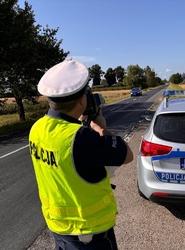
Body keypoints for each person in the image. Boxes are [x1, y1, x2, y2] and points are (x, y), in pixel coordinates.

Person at [29, 60, 133, 250]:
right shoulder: (82, 138)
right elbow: (127, 155)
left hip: (58, 227)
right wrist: (101, 129)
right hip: (89, 233)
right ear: (82, 99)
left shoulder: (37, 129)